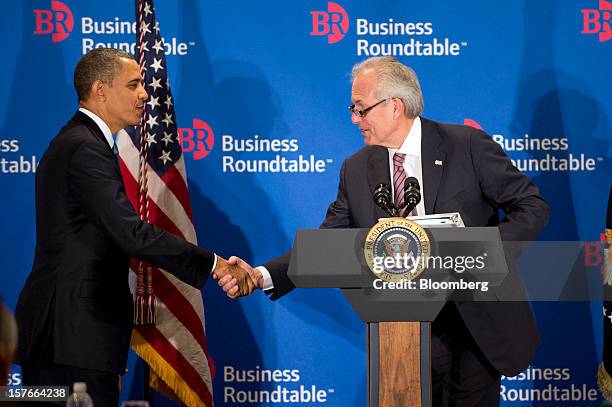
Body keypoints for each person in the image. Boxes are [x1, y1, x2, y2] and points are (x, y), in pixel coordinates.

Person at [218, 56, 549, 406]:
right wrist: (259, 275)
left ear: (395, 106)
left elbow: (531, 206)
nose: (354, 119)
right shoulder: (357, 169)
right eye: (353, 109)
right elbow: (327, 243)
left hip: (472, 323)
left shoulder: (465, 145)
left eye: (361, 109)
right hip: (401, 330)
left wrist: (483, 255)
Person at [14, 48, 252, 406]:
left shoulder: (84, 143)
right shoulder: (84, 148)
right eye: (133, 84)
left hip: (75, 335)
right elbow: (131, 233)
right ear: (101, 91)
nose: (144, 93)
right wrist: (215, 264)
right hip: (71, 337)